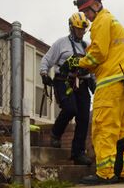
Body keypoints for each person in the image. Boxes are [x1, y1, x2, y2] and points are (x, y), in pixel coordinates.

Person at [64, 0, 124, 184]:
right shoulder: (113, 22)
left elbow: (97, 54)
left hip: (110, 82)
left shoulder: (101, 22)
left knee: (104, 127)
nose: (87, 18)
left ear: (96, 4)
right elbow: (103, 51)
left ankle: (105, 172)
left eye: (87, 11)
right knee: (123, 129)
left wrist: (76, 63)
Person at [40, 12, 94, 166]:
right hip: (64, 81)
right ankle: (56, 133)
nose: (81, 32)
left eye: (83, 30)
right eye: (78, 29)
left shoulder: (87, 46)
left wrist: (93, 81)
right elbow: (46, 59)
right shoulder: (60, 44)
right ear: (71, 27)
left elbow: (92, 65)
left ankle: (78, 153)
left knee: (84, 118)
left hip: (82, 83)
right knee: (70, 109)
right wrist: (44, 73)